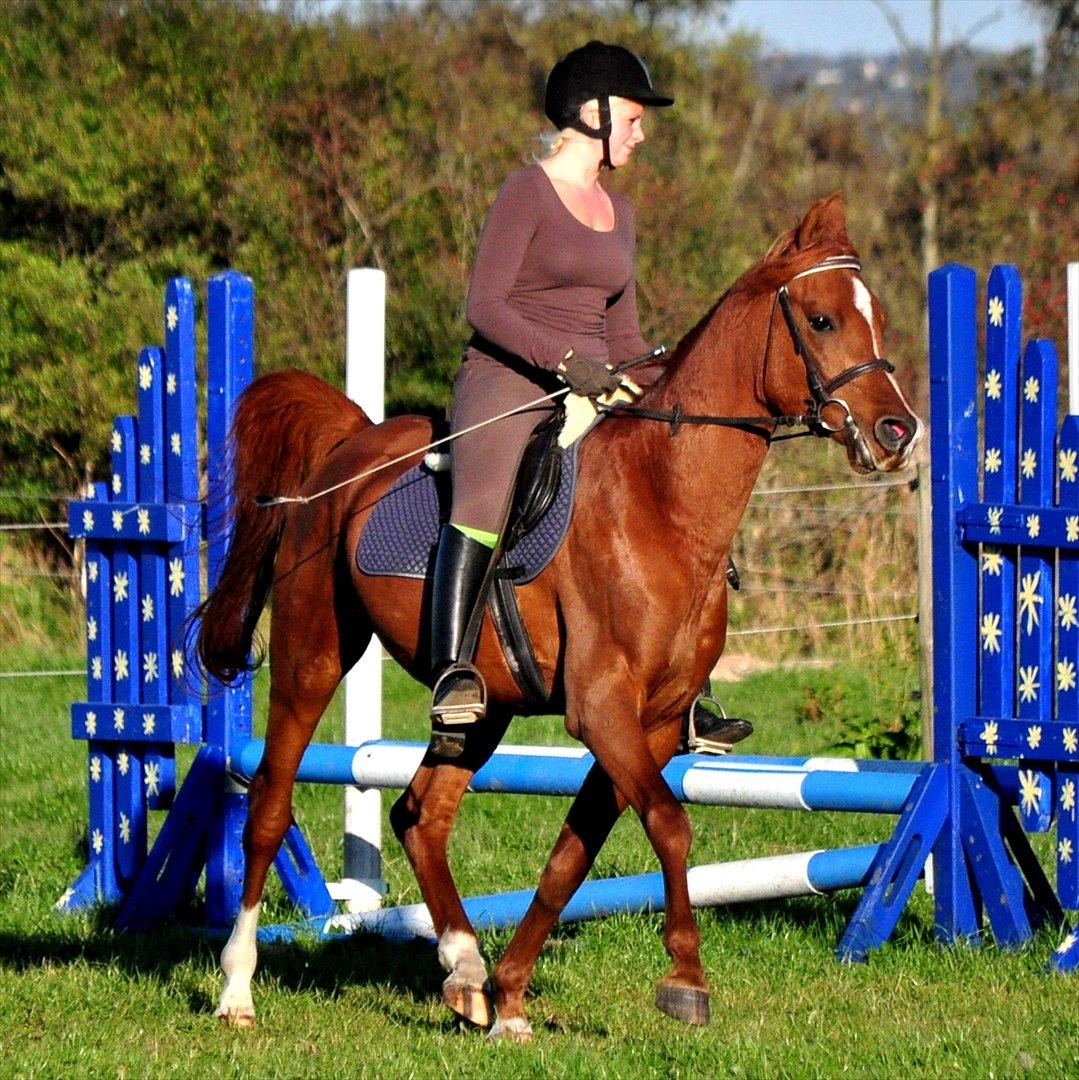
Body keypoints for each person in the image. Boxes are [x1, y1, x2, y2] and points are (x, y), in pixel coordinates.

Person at [427, 41, 674, 751]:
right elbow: (485, 304)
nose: (641, 130)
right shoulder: (523, 193)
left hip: (595, 384)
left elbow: (622, 334)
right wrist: (565, 361)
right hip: (509, 379)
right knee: (484, 502)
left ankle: (686, 687)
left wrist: (663, 384)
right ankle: (451, 674)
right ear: (592, 114)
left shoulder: (620, 214)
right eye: (634, 115)